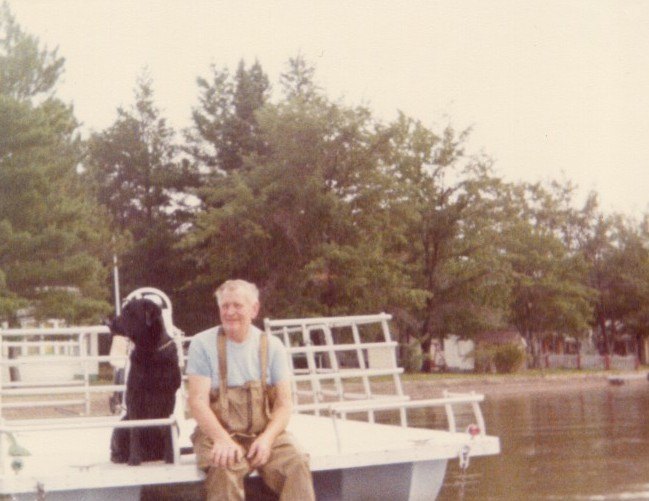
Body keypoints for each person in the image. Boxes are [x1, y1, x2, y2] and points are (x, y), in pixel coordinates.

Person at [186, 279, 315, 501]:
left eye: (237, 305)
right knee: (224, 466)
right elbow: (197, 401)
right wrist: (222, 439)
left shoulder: (272, 346)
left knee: (297, 461)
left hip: (263, 433)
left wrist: (267, 439)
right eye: (225, 306)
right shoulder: (202, 344)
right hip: (217, 434)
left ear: (254, 309)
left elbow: (284, 404)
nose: (230, 312)